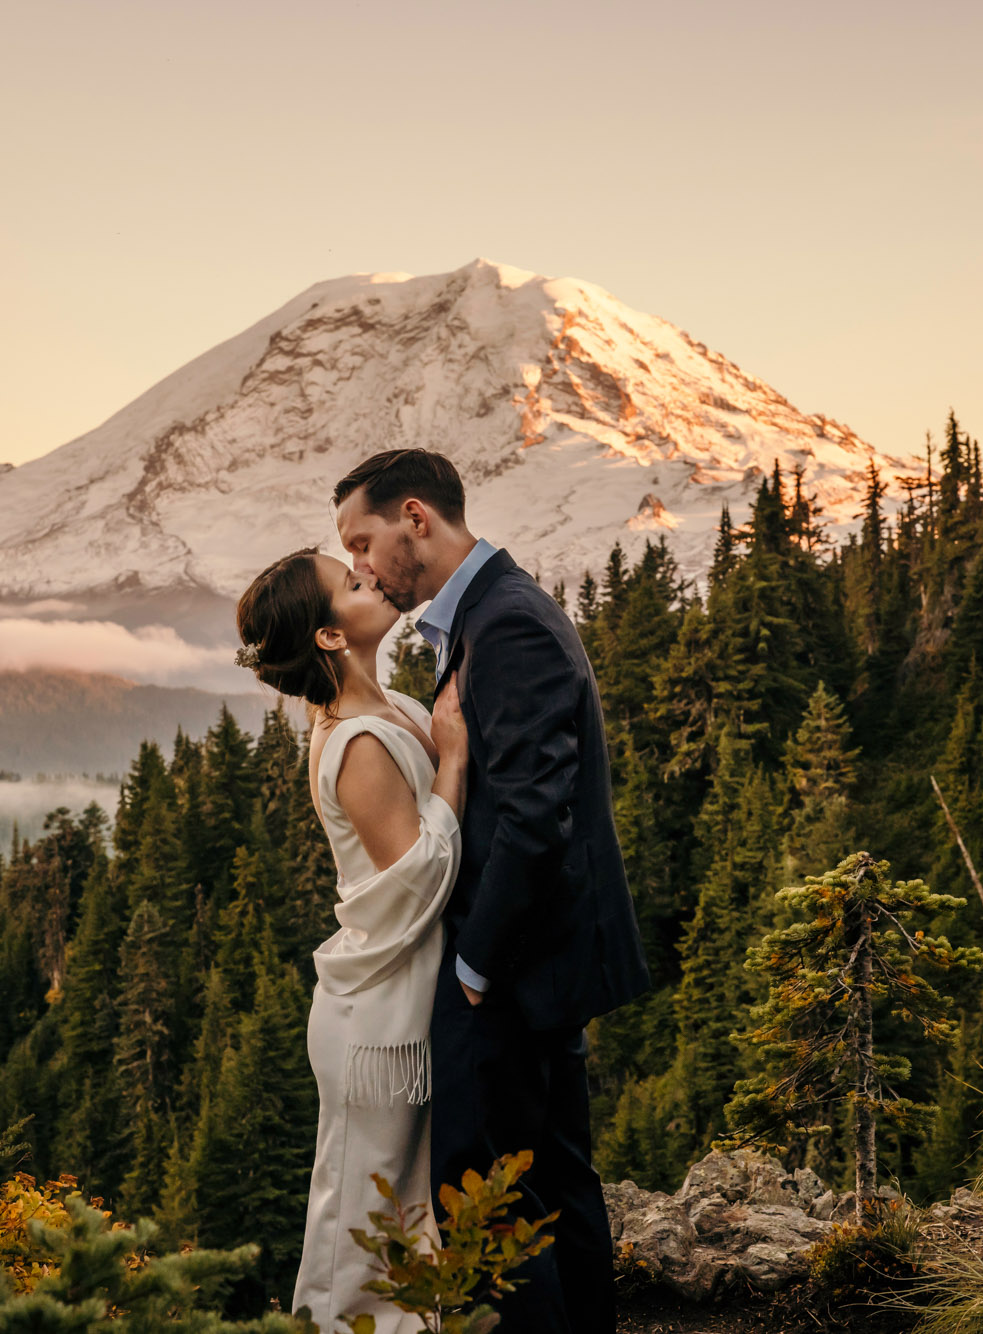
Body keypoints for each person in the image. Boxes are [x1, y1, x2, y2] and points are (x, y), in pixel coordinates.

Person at [333, 448, 653, 1334]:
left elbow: (534, 816)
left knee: (488, 1200)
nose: (361, 565)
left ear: (415, 519)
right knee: (553, 1180)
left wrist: (473, 968)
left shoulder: (503, 622)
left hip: (512, 968)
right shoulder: (494, 608)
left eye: (363, 542)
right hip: (536, 961)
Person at [234, 547, 469, 1334]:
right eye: (350, 582)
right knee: (361, 1220)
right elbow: (417, 879)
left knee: (401, 1205)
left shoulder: (389, 707)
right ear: (331, 637)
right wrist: (456, 764)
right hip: (376, 1025)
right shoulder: (357, 742)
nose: (369, 578)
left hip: (396, 1005)